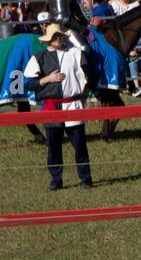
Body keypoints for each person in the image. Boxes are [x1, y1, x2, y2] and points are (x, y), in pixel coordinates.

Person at [24, 23, 92, 190]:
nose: (58, 39)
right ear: (49, 39)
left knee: (79, 145)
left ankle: (85, 179)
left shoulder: (76, 53)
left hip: (73, 104)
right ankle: (56, 180)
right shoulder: (39, 58)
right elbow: (28, 83)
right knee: (54, 147)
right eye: (54, 36)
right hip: (51, 106)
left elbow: (88, 75)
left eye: (60, 36)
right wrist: (48, 79)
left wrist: (87, 93)